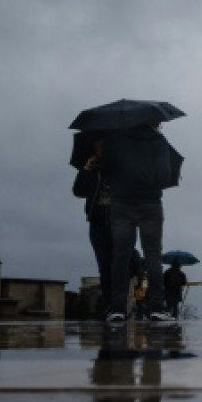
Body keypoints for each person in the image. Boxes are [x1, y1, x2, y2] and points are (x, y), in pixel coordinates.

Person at [101, 123, 180, 324]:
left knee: (120, 256)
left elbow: (106, 174)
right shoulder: (158, 141)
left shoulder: (116, 141)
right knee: (153, 255)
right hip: (150, 203)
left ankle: (117, 308)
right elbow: (164, 174)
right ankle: (156, 307)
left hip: (121, 204)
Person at [72, 142, 113, 315]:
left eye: (102, 145)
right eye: (97, 146)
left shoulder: (119, 167)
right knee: (104, 264)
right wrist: (86, 169)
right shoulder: (91, 169)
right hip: (97, 221)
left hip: (118, 221)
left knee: (117, 263)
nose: (100, 149)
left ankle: (117, 304)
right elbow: (78, 191)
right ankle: (110, 305)